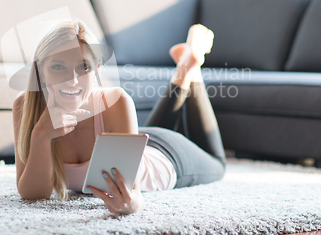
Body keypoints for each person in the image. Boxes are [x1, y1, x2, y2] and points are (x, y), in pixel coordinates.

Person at [12, 20, 226, 215]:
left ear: (97, 70)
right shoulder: (25, 107)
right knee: (135, 145)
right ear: (40, 70)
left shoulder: (115, 101)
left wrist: (133, 204)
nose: (72, 80)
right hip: (139, 141)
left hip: (165, 158)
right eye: (58, 66)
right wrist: (40, 135)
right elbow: (33, 195)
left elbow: (135, 194)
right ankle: (185, 66)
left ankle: (190, 67)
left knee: (218, 164)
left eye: (83, 67)